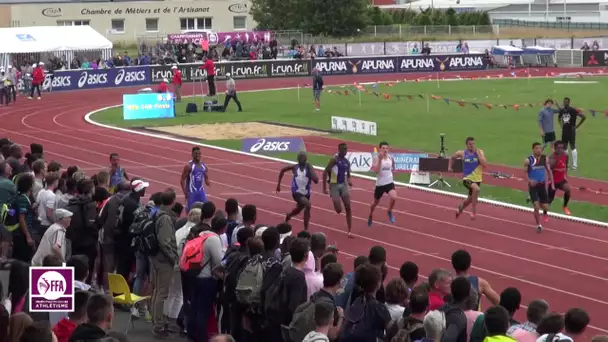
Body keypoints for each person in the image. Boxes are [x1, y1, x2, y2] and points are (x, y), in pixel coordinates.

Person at [277, 151, 319, 230]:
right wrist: (278, 185)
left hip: (306, 193)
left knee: (298, 210)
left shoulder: (309, 166)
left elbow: (316, 180)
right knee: (308, 205)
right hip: (296, 192)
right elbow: (283, 170)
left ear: (306, 158)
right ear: (297, 158)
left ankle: (289, 215)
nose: (302, 158)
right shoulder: (294, 167)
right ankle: (306, 229)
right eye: (300, 157)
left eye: (303, 157)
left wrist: (313, 176)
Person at [448, 137, 486, 219]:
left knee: (469, 200)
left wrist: (479, 155)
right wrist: (450, 167)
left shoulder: (480, 152)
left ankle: (459, 209)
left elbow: (485, 165)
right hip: (467, 179)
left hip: (477, 180)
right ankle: (473, 212)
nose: (472, 146)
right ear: (466, 145)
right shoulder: (462, 153)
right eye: (470, 144)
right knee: (477, 189)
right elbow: (453, 157)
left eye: (473, 144)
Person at [322, 143, 353, 237]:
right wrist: (324, 188)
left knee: (348, 207)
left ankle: (350, 231)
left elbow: (348, 174)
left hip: (343, 185)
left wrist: (349, 181)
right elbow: (325, 172)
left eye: (346, 149)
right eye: (343, 149)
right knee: (339, 210)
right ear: (339, 149)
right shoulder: (334, 160)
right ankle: (333, 196)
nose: (345, 151)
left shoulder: (347, 162)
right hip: (334, 185)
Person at [524, 142, 554, 233]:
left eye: (540, 148)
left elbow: (549, 170)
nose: (539, 150)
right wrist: (529, 181)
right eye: (537, 148)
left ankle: (532, 199)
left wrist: (552, 183)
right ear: (533, 149)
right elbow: (524, 173)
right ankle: (538, 225)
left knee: (546, 207)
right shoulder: (528, 160)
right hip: (533, 186)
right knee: (536, 207)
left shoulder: (545, 159)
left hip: (542, 185)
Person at [368, 141, 397, 226]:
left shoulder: (390, 158)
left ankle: (389, 210)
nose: (385, 150)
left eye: (386, 148)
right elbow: (377, 172)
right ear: (380, 149)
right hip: (380, 185)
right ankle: (370, 214)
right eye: (383, 148)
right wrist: (380, 160)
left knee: (394, 197)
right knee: (375, 203)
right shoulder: (377, 158)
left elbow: (393, 166)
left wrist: (392, 172)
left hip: (389, 183)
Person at [558, 97, 586, 171]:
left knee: (572, 146)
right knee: (564, 146)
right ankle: (566, 164)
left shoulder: (573, 110)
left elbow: (583, 117)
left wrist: (577, 126)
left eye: (566, 102)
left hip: (571, 130)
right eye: (564, 102)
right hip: (564, 130)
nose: (565, 103)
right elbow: (559, 118)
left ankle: (574, 165)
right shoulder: (562, 110)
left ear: (569, 102)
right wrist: (561, 125)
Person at [548, 141, 572, 215]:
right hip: (553, 182)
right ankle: (545, 213)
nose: (561, 149)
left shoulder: (565, 155)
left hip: (561, 180)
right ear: (555, 148)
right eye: (559, 148)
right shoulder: (552, 158)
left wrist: (565, 175)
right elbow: (548, 170)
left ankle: (565, 207)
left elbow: (566, 165)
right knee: (549, 200)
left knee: (568, 189)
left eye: (562, 148)